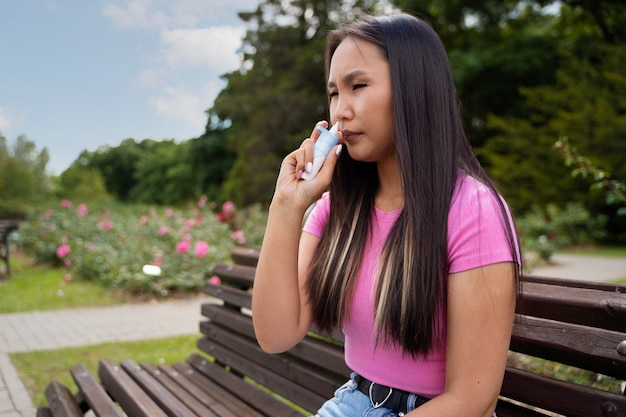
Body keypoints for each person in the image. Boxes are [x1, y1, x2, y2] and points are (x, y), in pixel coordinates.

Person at [252, 12, 521, 417]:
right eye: (334, 93)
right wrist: (286, 207)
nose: (340, 111)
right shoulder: (336, 209)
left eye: (357, 86)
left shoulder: (473, 210)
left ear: (415, 90)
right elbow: (275, 335)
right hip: (354, 401)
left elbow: (472, 400)